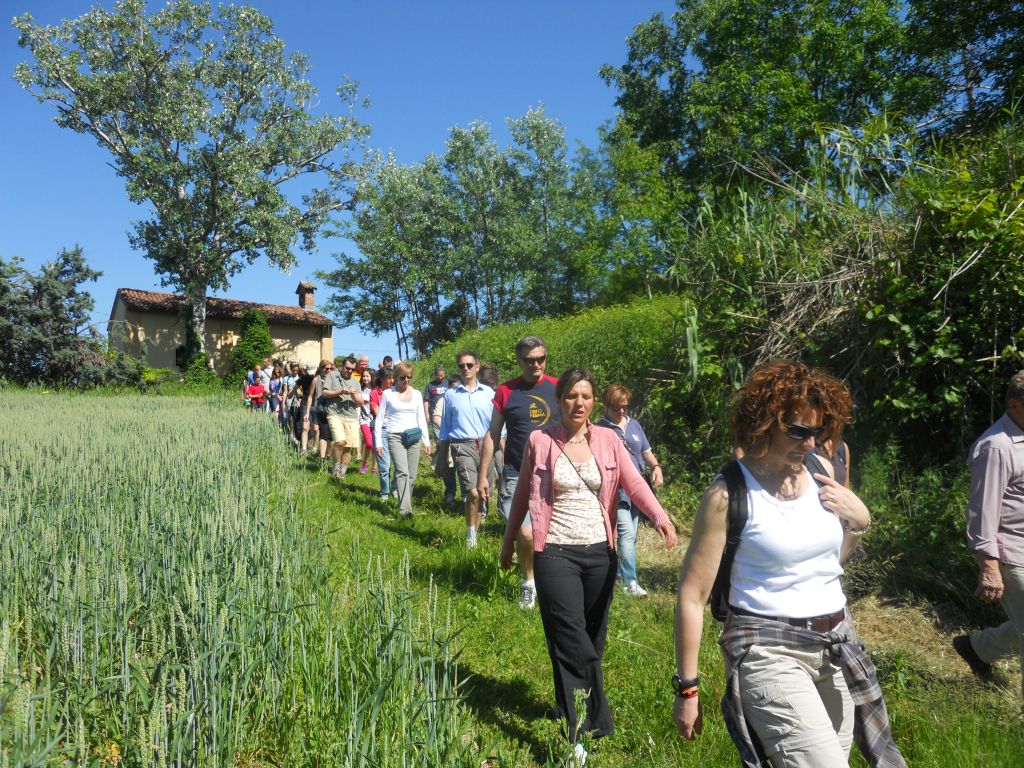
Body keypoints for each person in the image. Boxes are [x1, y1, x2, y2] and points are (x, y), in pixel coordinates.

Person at [673, 360, 904, 768]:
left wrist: (859, 524)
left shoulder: (820, 472)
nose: (811, 443)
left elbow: (828, 562)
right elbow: (692, 597)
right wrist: (688, 691)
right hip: (769, 652)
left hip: (836, 645)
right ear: (764, 423)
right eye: (798, 431)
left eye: (817, 432)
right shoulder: (728, 494)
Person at [500, 368, 678, 761]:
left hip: (600, 554)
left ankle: (570, 707)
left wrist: (661, 518)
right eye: (571, 396)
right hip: (556, 551)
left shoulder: (610, 441)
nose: (579, 403)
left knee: (590, 639)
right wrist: (510, 539)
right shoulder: (540, 441)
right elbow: (522, 496)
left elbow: (635, 483)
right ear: (559, 399)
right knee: (572, 641)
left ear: (594, 401)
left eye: (586, 396)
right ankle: (581, 729)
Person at [953, 370, 1024, 705]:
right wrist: (989, 567)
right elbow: (982, 511)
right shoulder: (996, 447)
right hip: (1013, 553)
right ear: (1014, 404)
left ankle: (976, 647)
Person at [479, 335, 559, 610]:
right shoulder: (506, 391)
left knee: (550, 534)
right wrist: (483, 476)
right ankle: (528, 584)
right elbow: (492, 434)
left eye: (541, 359)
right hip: (515, 473)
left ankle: (550, 579)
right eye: (529, 360)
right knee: (525, 532)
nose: (536, 364)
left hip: (554, 475)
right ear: (519, 361)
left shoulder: (559, 388)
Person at [597, 384, 664, 597]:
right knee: (625, 534)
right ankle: (630, 582)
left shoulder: (634, 425)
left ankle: (616, 577)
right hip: (617, 489)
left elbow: (646, 451)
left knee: (632, 536)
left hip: (638, 487)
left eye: (625, 407)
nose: (622, 411)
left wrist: (656, 468)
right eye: (618, 407)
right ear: (607, 406)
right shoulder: (600, 429)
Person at [438, 351, 495, 548]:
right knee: (472, 493)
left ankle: (476, 531)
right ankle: (470, 538)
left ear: (477, 367)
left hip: (487, 444)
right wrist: (442, 456)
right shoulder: (451, 395)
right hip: (461, 445)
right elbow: (445, 428)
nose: (466, 369)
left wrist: (504, 451)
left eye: (469, 365)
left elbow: (498, 426)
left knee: (483, 491)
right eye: (462, 366)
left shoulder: (489, 394)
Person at [375, 363, 432, 517]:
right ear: (396, 378)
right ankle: (405, 511)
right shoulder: (388, 394)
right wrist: (378, 442)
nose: (406, 380)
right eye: (402, 377)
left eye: (409, 377)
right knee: (402, 472)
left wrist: (427, 442)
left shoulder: (417, 394)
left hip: (413, 436)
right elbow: (379, 420)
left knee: (412, 475)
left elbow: (421, 418)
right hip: (395, 435)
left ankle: (403, 499)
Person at [322, 355, 364, 479]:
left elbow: (360, 402)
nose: (349, 371)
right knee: (340, 441)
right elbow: (325, 393)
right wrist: (340, 391)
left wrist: (353, 396)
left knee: (349, 446)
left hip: (351, 416)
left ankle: (342, 472)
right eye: (347, 368)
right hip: (334, 413)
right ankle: (335, 468)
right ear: (342, 366)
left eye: (352, 369)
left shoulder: (356, 383)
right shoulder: (332, 375)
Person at [425, 364, 457, 505]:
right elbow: (436, 416)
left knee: (463, 468)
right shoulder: (442, 399)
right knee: (448, 466)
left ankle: (466, 497)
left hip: (464, 440)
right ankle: (450, 493)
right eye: (453, 388)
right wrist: (447, 429)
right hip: (447, 436)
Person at [370, 368, 396, 501]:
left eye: (393, 378)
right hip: (381, 430)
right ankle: (385, 492)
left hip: (396, 429)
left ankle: (395, 490)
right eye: (389, 378)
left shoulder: (396, 392)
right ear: (381, 379)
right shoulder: (375, 393)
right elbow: (377, 412)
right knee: (384, 466)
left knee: (398, 465)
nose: (392, 381)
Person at [358, 369, 376, 475]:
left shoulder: (376, 390)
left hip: (374, 419)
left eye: (367, 376)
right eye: (364, 376)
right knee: (369, 443)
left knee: (375, 444)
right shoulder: (360, 389)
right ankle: (365, 463)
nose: (365, 378)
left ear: (372, 377)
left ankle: (375, 467)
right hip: (363, 419)